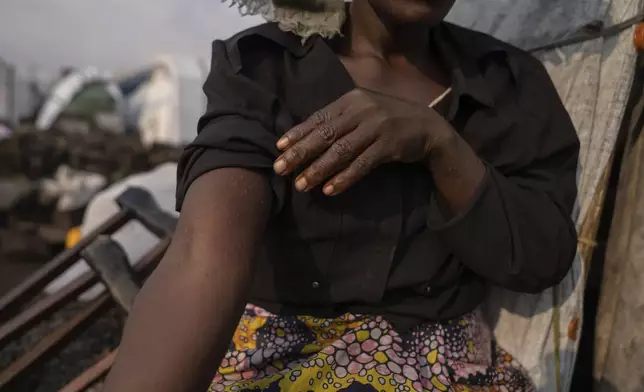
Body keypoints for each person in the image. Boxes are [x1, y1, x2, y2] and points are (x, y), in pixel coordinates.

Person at [101, 0, 580, 391]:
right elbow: (202, 257)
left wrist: (440, 144)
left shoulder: (510, 84)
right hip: (276, 350)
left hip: (444, 367)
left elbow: (540, 257)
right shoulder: (262, 68)